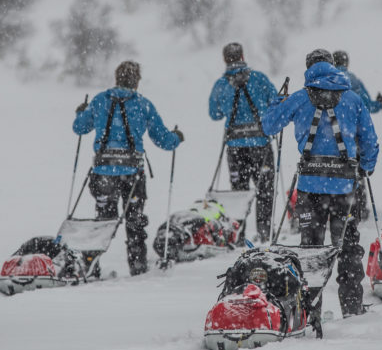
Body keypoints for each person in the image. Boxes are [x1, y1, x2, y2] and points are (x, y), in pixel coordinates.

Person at [262, 49, 378, 317]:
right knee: (348, 247)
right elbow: (369, 141)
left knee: (311, 251)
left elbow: (268, 127)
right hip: (345, 189)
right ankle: (352, 307)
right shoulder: (352, 99)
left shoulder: (300, 98)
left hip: (309, 190)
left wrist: (275, 103)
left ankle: (310, 311)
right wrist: (365, 168)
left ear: (308, 68)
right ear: (333, 66)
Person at [74, 60, 183, 276]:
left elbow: (79, 127)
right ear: (137, 82)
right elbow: (163, 140)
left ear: (116, 78)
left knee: (103, 222)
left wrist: (81, 112)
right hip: (132, 174)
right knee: (135, 222)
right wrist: (176, 137)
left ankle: (89, 265)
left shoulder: (98, 101)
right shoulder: (143, 105)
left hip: (103, 172)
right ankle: (138, 267)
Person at [208, 43, 278, 241]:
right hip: (261, 145)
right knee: (265, 190)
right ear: (242, 56)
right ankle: (265, 234)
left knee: (239, 193)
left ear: (225, 59)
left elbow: (214, 114)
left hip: (235, 147)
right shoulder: (259, 79)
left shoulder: (221, 84)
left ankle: (238, 235)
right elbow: (276, 102)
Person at [332, 50, 382, 223]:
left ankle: (332, 209)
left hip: (331, 137)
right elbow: (367, 106)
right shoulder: (353, 80)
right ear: (346, 63)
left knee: (333, 172)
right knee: (356, 173)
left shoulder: (328, 81)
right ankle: (358, 208)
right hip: (354, 137)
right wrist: (380, 103)